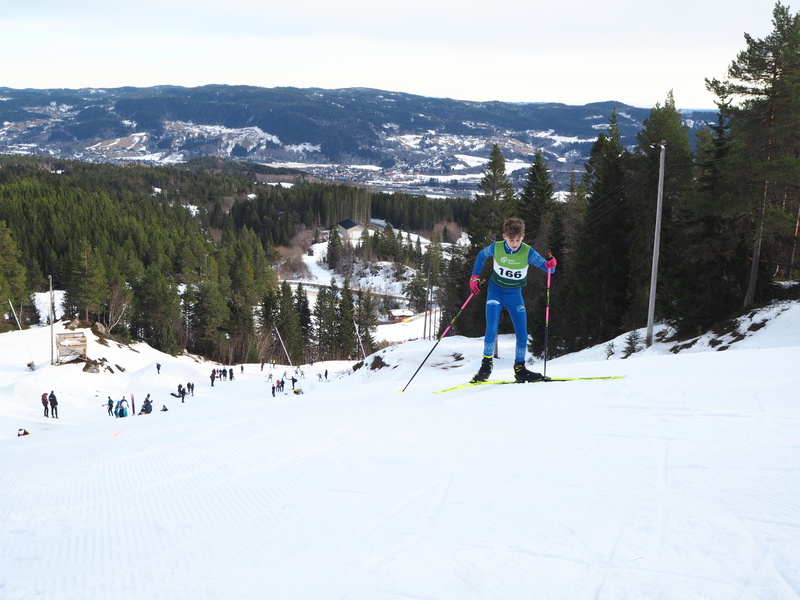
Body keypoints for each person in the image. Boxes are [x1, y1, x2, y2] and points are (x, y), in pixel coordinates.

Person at [469, 217, 557, 383]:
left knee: (522, 332)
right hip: (495, 292)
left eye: (518, 240)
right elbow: (481, 256)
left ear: (523, 237)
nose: (515, 244)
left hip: (515, 295)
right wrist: (474, 277)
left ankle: (520, 369)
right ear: (504, 237)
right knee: (491, 327)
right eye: (511, 240)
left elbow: (549, 270)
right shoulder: (496, 247)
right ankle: (486, 366)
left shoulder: (528, 252)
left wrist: (551, 264)